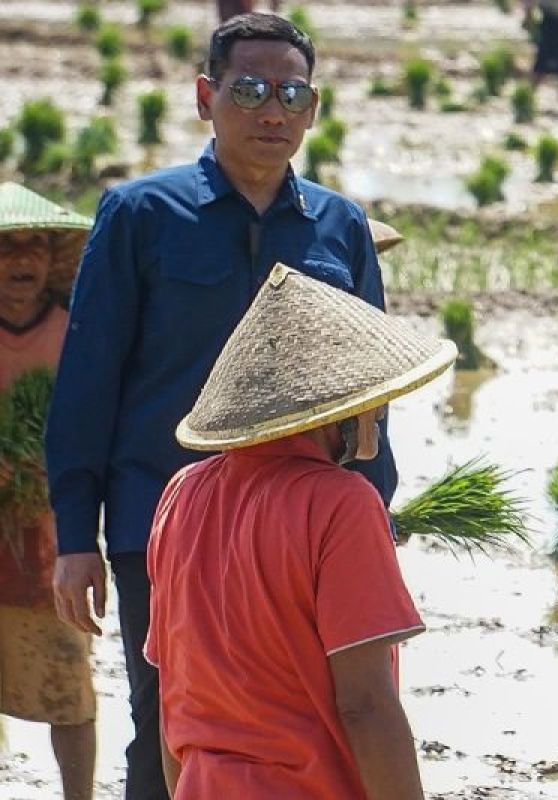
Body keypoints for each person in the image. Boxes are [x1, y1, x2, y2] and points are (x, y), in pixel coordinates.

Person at [45, 14, 398, 800]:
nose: (272, 110)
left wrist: (377, 509)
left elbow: (370, 380)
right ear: (206, 97)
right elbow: (87, 382)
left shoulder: (338, 226)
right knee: (172, 722)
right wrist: (76, 537)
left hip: (307, 528)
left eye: (291, 92)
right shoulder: (140, 215)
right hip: (164, 525)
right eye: (249, 89)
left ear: (313, 108)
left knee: (313, 718)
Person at [146, 263, 455, 798]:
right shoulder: (342, 503)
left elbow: (173, 690)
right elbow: (366, 705)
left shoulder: (181, 493)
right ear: (334, 407)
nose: (378, 408)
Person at [0, 183, 96, 800]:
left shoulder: (73, 335)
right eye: (6, 249)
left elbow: (91, 429)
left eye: (34, 247)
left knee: (68, 681)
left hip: (50, 536)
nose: (21, 262)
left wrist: (44, 466)